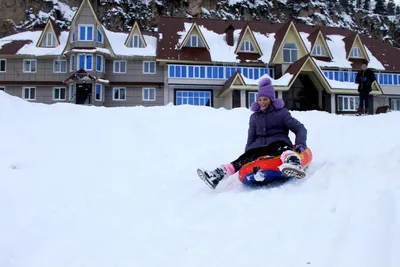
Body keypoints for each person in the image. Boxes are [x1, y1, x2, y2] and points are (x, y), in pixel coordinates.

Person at [198, 76, 308, 189]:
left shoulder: (282, 113)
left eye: (265, 99)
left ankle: (293, 163)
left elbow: (300, 128)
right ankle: (217, 175)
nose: (262, 102)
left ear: (271, 99)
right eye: (260, 99)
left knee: (281, 147)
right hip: (259, 147)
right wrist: (248, 153)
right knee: (242, 159)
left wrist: (300, 144)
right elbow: (251, 137)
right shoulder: (254, 117)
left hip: (278, 142)